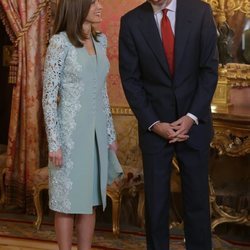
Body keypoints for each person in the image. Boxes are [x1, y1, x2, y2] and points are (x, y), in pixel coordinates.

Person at [119, 0, 218, 249]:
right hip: (155, 129)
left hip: (193, 126)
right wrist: (154, 123)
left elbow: (209, 71)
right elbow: (131, 80)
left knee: (197, 202)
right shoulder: (131, 21)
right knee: (156, 204)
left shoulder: (200, 12)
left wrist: (191, 117)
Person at [42, 0, 122, 249]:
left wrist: (110, 134)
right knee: (66, 203)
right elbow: (48, 96)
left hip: (96, 133)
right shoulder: (60, 42)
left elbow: (102, 93)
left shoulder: (101, 41)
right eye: (93, 2)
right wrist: (54, 142)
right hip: (69, 135)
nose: (100, 6)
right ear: (77, 6)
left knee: (90, 200)